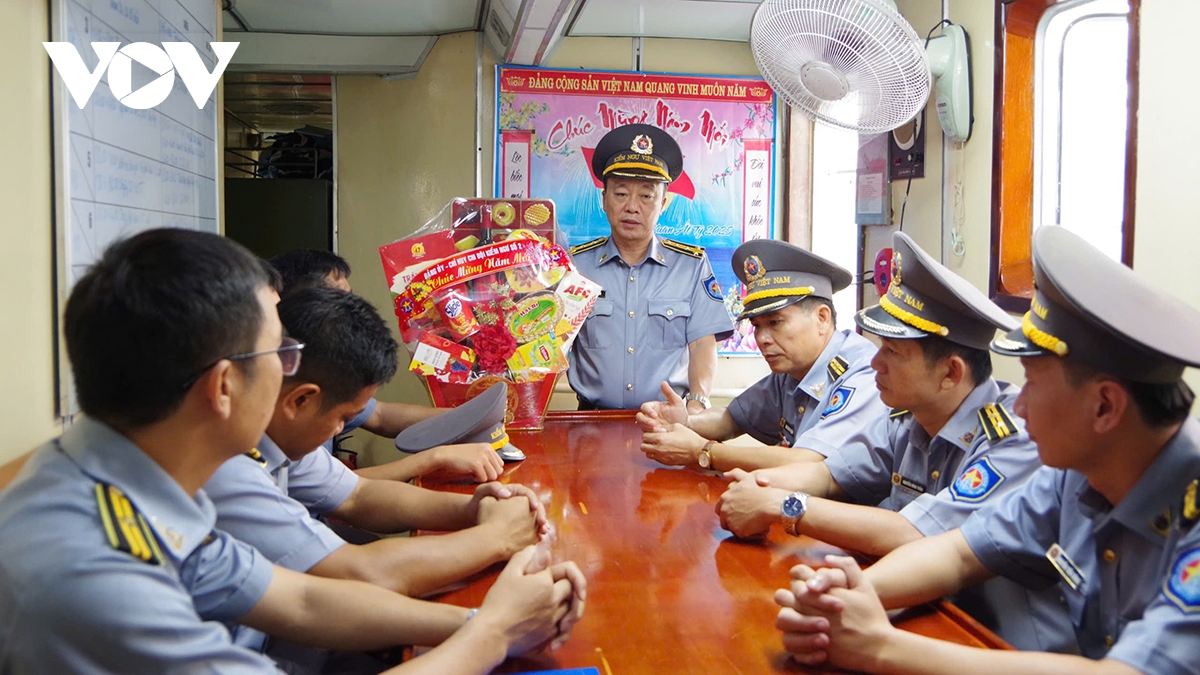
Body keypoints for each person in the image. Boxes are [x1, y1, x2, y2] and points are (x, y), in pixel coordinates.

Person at [0, 229, 585, 674]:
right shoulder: (97, 575)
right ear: (223, 388)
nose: (290, 371)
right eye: (278, 352)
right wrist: (493, 636)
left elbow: (302, 600)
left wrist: (488, 621)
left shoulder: (137, 479)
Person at [777, 226, 1200, 675]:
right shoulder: (1073, 476)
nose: (1018, 403)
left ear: (1104, 406)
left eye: (1033, 384)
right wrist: (848, 593)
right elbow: (959, 553)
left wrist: (881, 649)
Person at [717, 232, 1072, 652]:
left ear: (951, 373)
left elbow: (915, 534)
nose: (874, 362)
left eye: (892, 352)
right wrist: (761, 490)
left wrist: (782, 505)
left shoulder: (1014, 437)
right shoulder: (907, 419)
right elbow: (828, 474)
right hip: (922, 616)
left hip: (997, 644)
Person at [204, 287, 550, 656]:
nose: (339, 431)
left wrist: (472, 509)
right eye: (342, 420)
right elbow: (354, 576)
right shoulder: (227, 468)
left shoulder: (276, 435)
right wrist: (497, 539)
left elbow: (358, 496)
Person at [636, 239, 886, 471]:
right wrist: (687, 422)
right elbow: (731, 418)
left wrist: (705, 452)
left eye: (775, 322)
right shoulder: (792, 372)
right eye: (757, 326)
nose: (762, 338)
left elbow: (809, 462)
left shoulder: (862, 373)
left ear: (822, 318)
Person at [267, 249, 506, 484]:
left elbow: (380, 416)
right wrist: (435, 458)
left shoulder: (329, 372)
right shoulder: (277, 405)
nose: (348, 308)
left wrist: (475, 420)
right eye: (336, 298)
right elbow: (343, 487)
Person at [567, 123, 734, 411]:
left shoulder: (691, 266)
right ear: (604, 200)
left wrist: (696, 405)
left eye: (646, 196)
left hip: (668, 421)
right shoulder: (574, 266)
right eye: (620, 194)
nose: (632, 207)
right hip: (591, 423)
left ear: (663, 204)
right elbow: (553, 345)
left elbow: (702, 344)